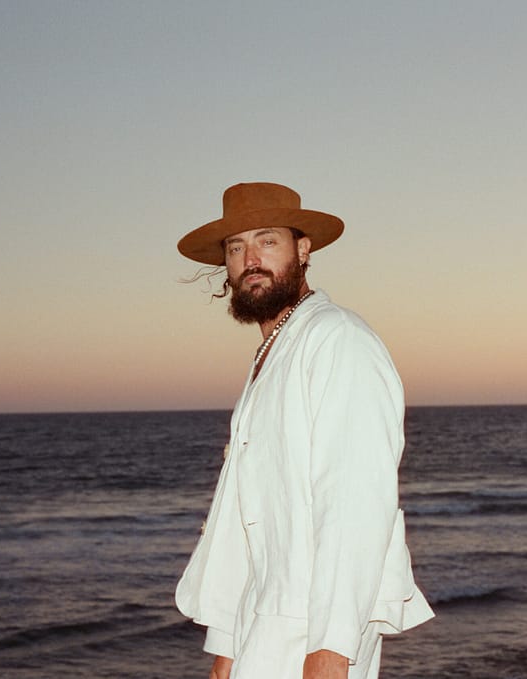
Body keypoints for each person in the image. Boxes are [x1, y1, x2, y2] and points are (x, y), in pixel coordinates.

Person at [175, 182, 433, 679]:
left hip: (311, 635)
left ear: (303, 249)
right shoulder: (272, 355)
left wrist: (331, 650)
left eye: (267, 240)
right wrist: (226, 648)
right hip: (262, 630)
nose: (250, 258)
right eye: (235, 247)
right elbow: (248, 521)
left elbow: (355, 502)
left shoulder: (336, 339)